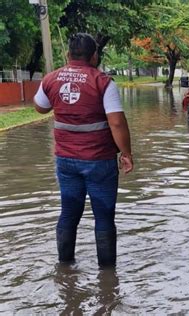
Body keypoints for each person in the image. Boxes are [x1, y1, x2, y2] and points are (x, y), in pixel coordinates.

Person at [33, 33, 133, 268]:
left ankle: (65, 267)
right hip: (100, 162)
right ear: (95, 56)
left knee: (68, 214)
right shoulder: (103, 82)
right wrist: (126, 153)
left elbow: (39, 107)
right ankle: (108, 275)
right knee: (104, 217)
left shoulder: (51, 79)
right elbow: (116, 122)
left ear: (68, 54)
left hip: (66, 161)